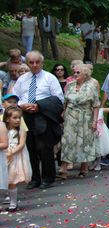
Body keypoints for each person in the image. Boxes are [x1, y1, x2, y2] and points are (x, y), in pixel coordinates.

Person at [13, 51, 64, 189]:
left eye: (37, 62)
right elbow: (14, 99)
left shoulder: (50, 78)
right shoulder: (22, 79)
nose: (34, 65)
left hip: (43, 115)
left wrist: (39, 106)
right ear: (27, 63)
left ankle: (48, 177)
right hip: (26, 116)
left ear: (42, 63)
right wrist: (21, 106)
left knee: (45, 148)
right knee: (29, 148)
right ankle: (35, 178)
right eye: (31, 62)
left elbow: (58, 99)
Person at [60, 64, 100, 179]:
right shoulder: (70, 85)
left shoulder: (91, 86)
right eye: (75, 72)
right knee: (67, 140)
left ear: (85, 74)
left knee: (84, 141)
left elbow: (96, 105)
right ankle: (64, 167)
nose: (75, 74)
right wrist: (63, 114)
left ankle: (84, 167)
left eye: (78, 72)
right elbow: (65, 101)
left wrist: (94, 121)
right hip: (70, 116)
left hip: (85, 116)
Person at [4, 107, 31, 212]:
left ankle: (13, 203)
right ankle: (5, 198)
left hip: (15, 157)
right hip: (4, 156)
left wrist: (12, 152)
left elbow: (21, 144)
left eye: (19, 118)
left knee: (12, 180)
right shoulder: (3, 130)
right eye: (15, 118)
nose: (18, 120)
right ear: (7, 119)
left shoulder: (21, 130)